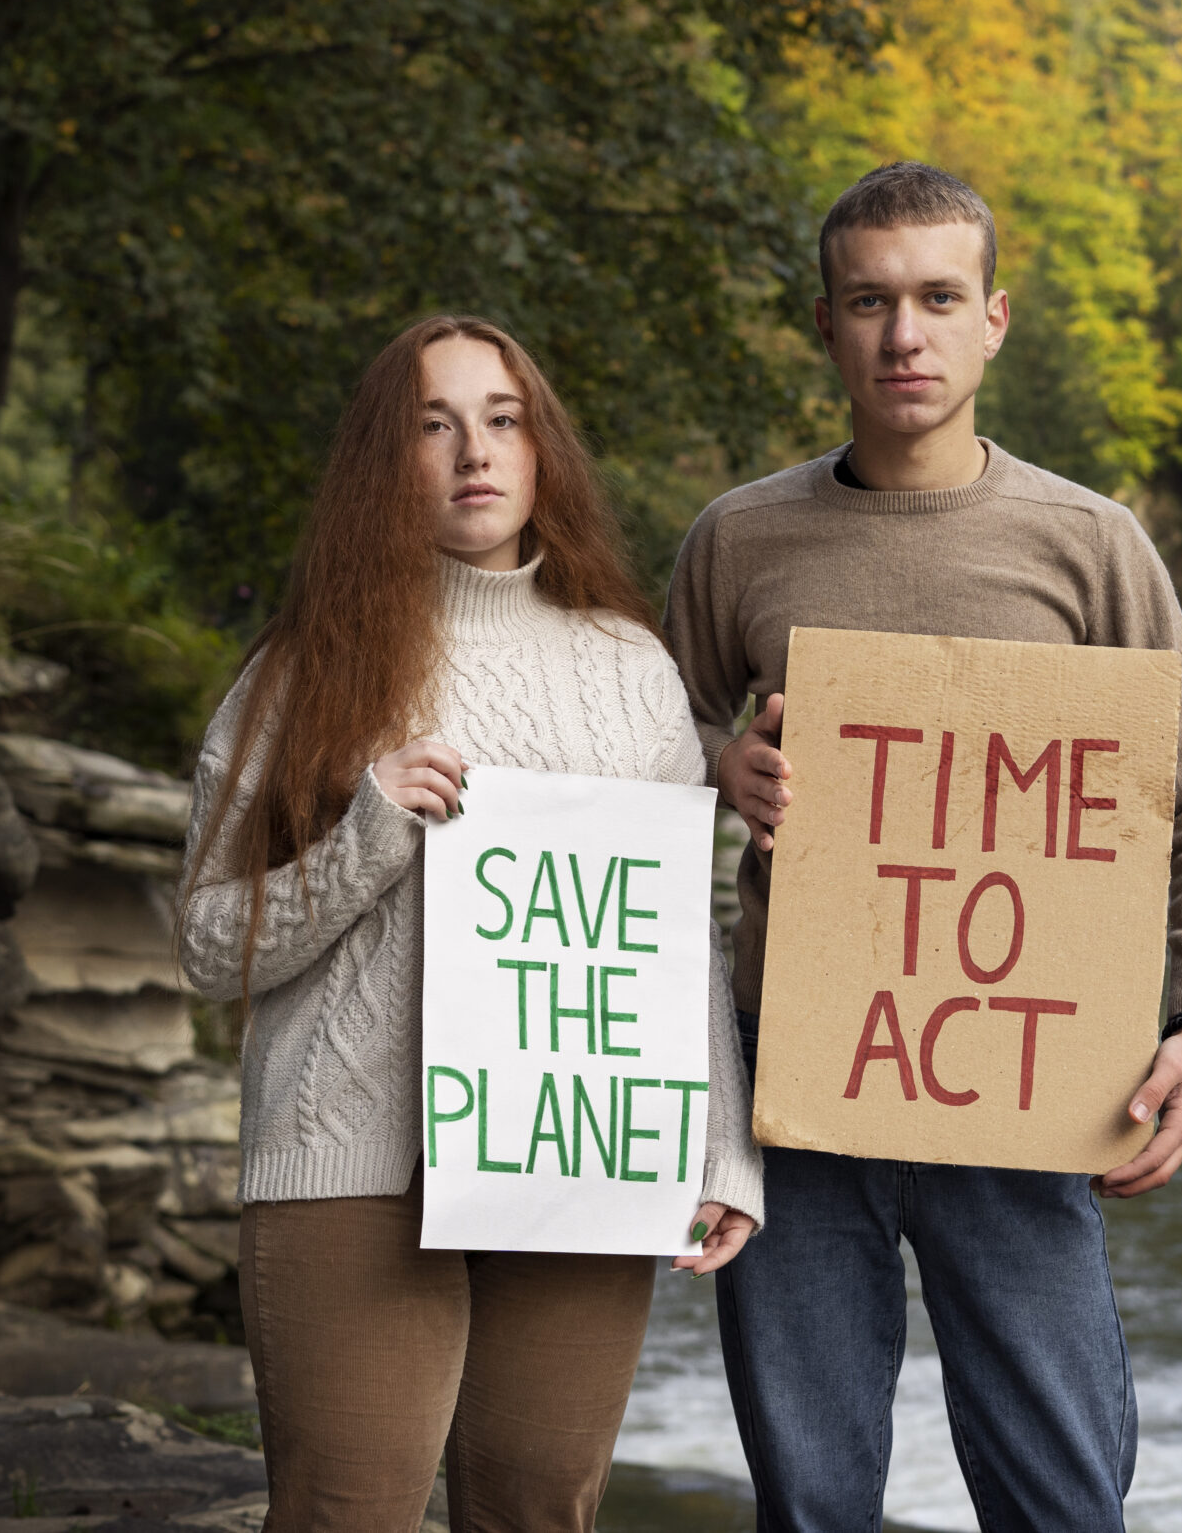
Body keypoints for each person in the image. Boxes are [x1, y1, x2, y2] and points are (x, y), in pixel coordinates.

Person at [663, 162, 1182, 1533]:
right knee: (811, 1499)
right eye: (870, 302)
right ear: (826, 324)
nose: (904, 335)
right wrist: (719, 763)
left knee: (1058, 1497)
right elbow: (647, 738)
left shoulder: (1089, 543)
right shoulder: (738, 538)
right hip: (795, 1083)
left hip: (1028, 1080)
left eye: (938, 298)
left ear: (996, 318)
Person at [178, 314, 762, 1533]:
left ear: (541, 450)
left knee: (539, 1510)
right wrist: (365, 837)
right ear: (384, 465)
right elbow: (203, 945)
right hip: (352, 1163)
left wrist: (720, 1152)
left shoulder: (628, 667)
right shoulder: (308, 667)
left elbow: (669, 935)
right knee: (349, 1514)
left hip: (575, 1152)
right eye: (431, 427)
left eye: (502, 421)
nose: (473, 453)